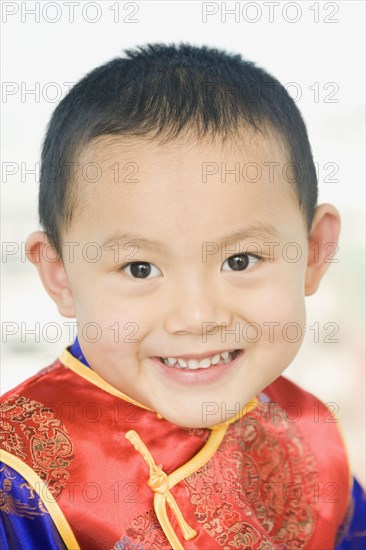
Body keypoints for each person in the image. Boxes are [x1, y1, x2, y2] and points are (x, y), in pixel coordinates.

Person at [0, 43, 364, 550]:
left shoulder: (311, 432)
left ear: (313, 253)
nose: (196, 317)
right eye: (140, 268)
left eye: (240, 261)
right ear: (60, 275)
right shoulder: (16, 478)